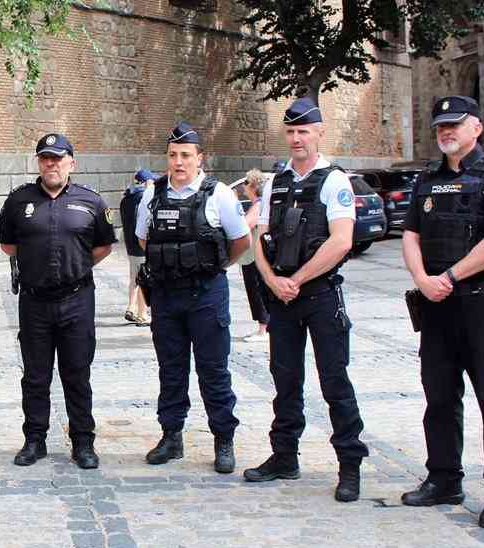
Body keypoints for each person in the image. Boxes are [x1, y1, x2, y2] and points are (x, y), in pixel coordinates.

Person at [401, 95, 484, 529]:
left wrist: (448, 277)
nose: (446, 132)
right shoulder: (427, 179)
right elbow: (411, 235)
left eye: (455, 124)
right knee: (439, 399)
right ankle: (444, 479)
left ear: (477, 127)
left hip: (482, 307)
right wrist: (422, 279)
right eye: (440, 127)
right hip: (436, 308)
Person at [246, 97, 369, 502]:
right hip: (282, 298)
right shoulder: (277, 182)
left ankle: (349, 466)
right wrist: (269, 278)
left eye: (304, 131)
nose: (297, 139)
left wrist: (295, 279)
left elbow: (341, 241)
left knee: (334, 381)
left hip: (318, 295)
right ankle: (284, 456)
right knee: (285, 381)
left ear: (319, 133)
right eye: (291, 132)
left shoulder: (334, 181)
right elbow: (260, 237)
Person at [136, 122, 250, 473]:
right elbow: (143, 240)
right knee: (171, 369)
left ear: (200, 158)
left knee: (213, 370)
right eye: (173, 155)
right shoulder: (151, 194)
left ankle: (223, 439)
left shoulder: (219, 195)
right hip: (167, 295)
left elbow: (241, 242)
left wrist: (211, 266)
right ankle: (171, 436)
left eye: (186, 155)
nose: (179, 162)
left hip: (206, 294)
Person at [0, 133, 116, 469]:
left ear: (71, 164)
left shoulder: (91, 201)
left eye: (58, 158)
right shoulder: (19, 200)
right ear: (39, 163)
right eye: (45, 158)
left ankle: (83, 442)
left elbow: (104, 245)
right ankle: (35, 440)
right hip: (34, 302)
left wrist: (75, 265)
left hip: (77, 300)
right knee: (35, 376)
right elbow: (8, 244)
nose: (52, 164)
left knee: (77, 373)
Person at [119, 168, 154, 325]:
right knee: (143, 278)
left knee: (134, 277)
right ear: (147, 182)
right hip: (140, 243)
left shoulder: (126, 198)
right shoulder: (143, 197)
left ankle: (131, 307)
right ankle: (142, 314)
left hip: (129, 243)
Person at [240, 169, 270, 339]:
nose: (244, 187)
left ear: (252, 186)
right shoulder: (259, 204)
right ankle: (264, 326)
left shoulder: (258, 205)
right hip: (256, 255)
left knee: (256, 289)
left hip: (254, 256)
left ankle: (263, 328)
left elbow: (245, 226)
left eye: (246, 183)